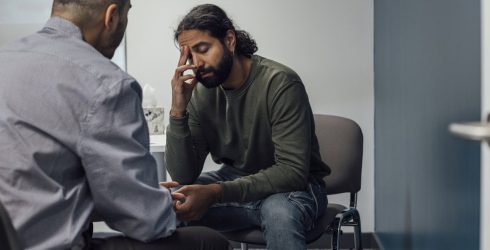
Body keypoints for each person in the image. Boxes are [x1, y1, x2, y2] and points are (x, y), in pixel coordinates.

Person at [0, 1, 230, 250]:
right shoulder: (107, 83)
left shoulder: (6, 59)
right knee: (209, 242)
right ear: (111, 16)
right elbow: (147, 222)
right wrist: (147, 198)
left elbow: (38, 194)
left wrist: (138, 194)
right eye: (127, 12)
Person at [165, 4, 331, 250]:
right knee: (171, 202)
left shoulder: (280, 83)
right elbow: (182, 175)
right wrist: (178, 110)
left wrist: (216, 192)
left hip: (296, 189)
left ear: (229, 40)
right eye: (189, 56)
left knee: (278, 213)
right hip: (236, 181)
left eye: (203, 49)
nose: (196, 64)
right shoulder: (200, 94)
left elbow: (292, 172)